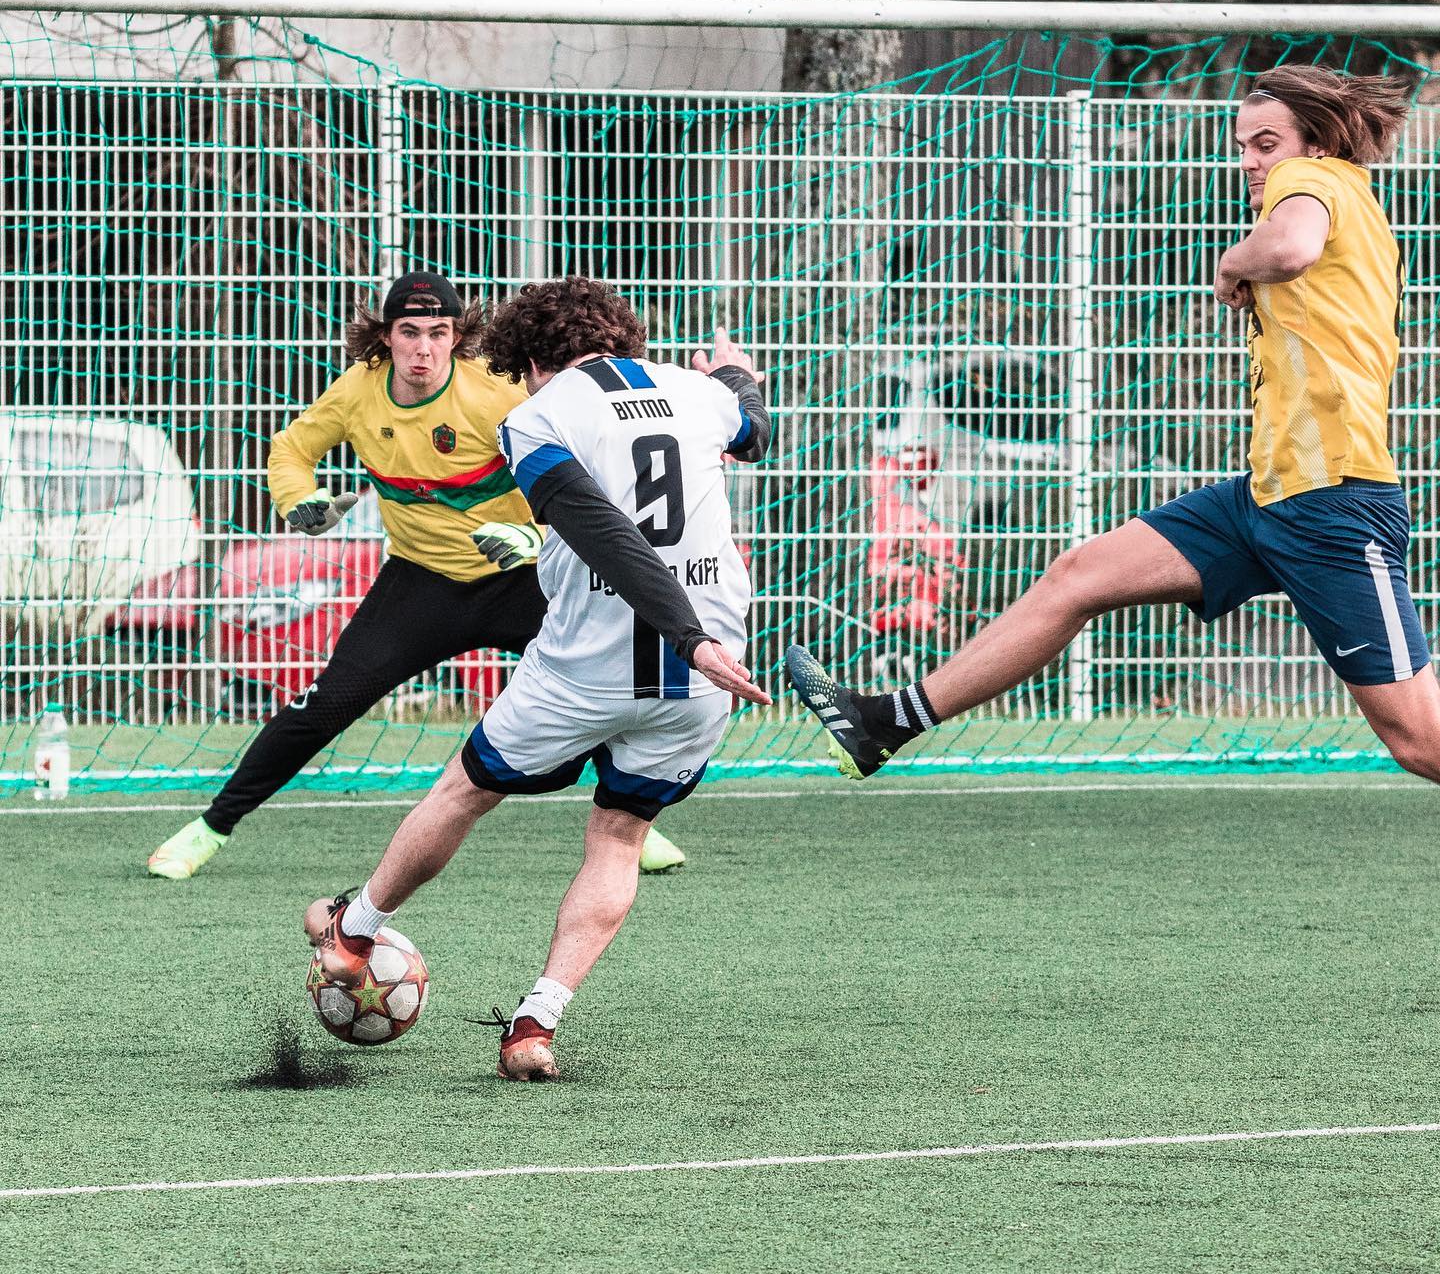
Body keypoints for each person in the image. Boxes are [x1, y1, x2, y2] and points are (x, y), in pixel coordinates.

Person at [787, 65, 1439, 785]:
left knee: (1420, 742)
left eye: (1267, 144)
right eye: (1242, 147)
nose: (1252, 162)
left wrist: (1230, 264)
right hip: (1265, 497)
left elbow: (1289, 249)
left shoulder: (1314, 181)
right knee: (1078, 577)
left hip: (1333, 505)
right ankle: (884, 724)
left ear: (1316, 144)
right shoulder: (1344, 200)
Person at [304, 276, 771, 1080]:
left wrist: (685, 634)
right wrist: (738, 377)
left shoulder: (538, 415)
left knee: (464, 790)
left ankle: (353, 933)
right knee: (620, 835)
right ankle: (534, 1027)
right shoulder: (696, 393)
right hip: (704, 678)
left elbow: (600, 530)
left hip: (592, 666)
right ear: (619, 338)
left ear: (527, 361)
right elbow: (754, 430)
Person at [146, 270, 687, 879]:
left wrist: (536, 536)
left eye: (438, 332)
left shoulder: (499, 391)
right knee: (324, 706)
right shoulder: (358, 392)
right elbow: (291, 449)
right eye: (409, 332)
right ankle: (209, 828)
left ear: (458, 337)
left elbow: (591, 474)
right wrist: (297, 499)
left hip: (523, 578)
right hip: (420, 585)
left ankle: (630, 826)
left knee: (598, 689)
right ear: (386, 336)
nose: (423, 349)